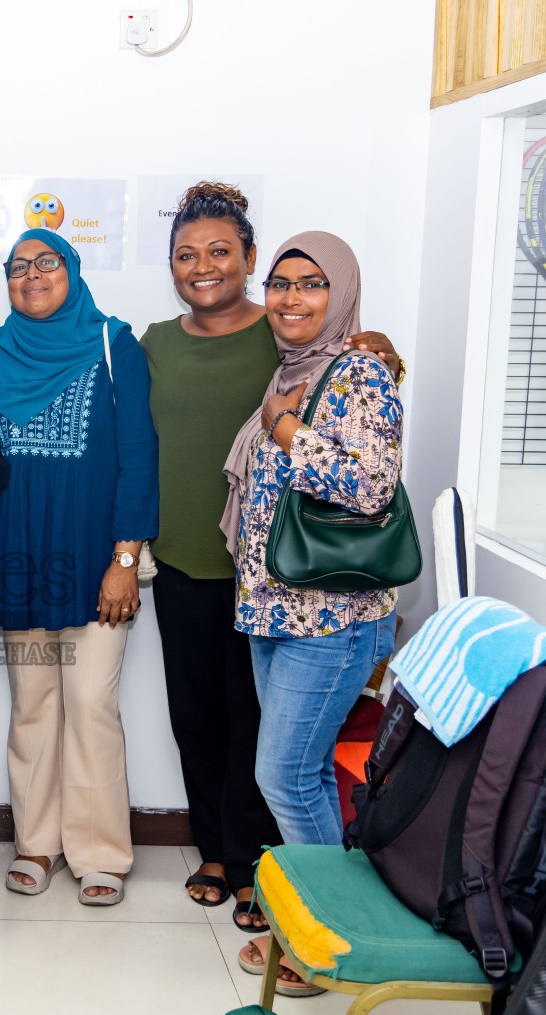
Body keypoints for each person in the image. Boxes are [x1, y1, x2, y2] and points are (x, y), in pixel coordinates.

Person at [141, 182, 404, 933]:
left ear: (247, 259)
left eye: (221, 250)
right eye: (186, 254)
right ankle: (216, 851)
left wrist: (380, 349)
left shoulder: (290, 336)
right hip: (190, 562)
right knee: (197, 716)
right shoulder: (155, 342)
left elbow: (354, 409)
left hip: (287, 579)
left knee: (265, 733)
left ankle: (265, 866)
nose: (204, 266)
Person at [225, 230, 402, 992]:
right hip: (278, 613)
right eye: (281, 283)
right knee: (300, 779)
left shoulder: (360, 371)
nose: (291, 298)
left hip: (331, 618)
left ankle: (332, 939)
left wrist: (285, 428)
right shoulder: (299, 368)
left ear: (342, 293)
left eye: (312, 284)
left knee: (286, 777)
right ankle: (315, 925)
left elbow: (369, 487)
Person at [0, 228, 159, 907]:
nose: (32, 275)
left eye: (46, 262)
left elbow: (138, 455)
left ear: (72, 270)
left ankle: (100, 850)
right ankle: (36, 842)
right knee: (32, 707)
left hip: (95, 557)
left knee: (90, 705)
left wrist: (125, 560)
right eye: (18, 267)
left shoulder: (114, 346)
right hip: (19, 555)